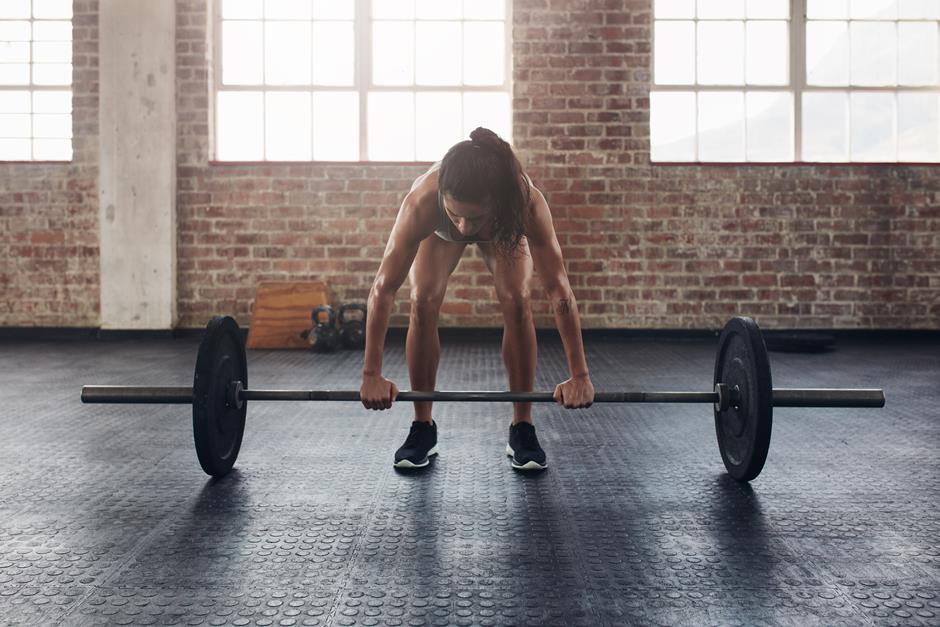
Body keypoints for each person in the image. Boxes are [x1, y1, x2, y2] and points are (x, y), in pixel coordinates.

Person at [359, 127, 594, 471]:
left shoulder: (525, 202)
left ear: (498, 200)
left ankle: (522, 426)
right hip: (438, 235)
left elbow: (558, 288)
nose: (466, 228)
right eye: (457, 215)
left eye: (475, 217)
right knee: (422, 300)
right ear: (443, 196)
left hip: (501, 230)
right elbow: (383, 287)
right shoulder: (422, 202)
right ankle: (422, 427)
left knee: (516, 299)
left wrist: (580, 375)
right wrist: (370, 373)